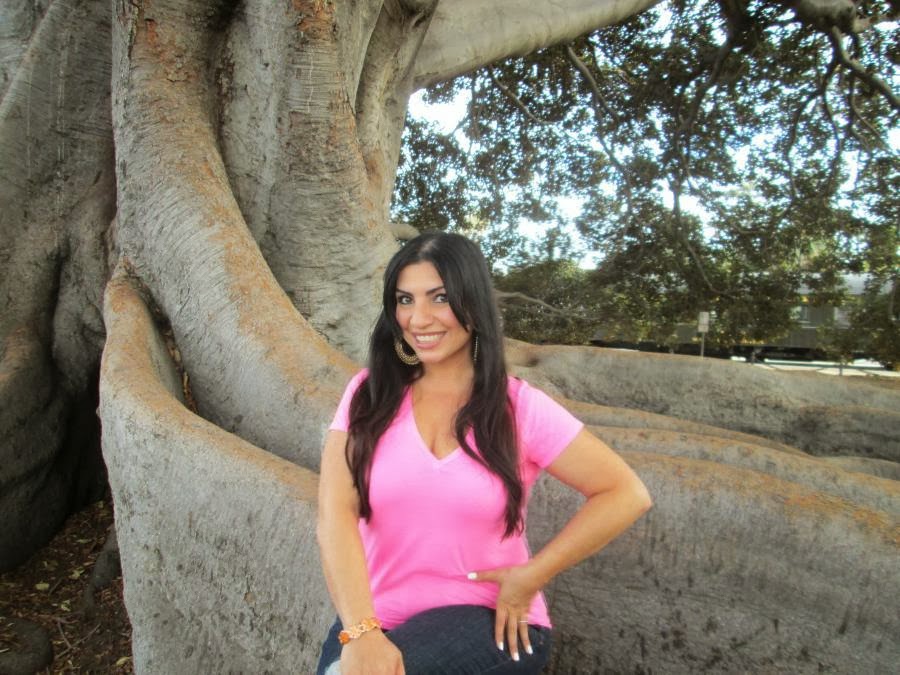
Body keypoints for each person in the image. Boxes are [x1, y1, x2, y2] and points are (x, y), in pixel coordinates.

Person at [316, 232, 652, 674]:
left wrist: (533, 574)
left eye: (439, 298)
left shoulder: (519, 408)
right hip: (372, 619)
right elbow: (335, 514)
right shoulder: (368, 394)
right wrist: (362, 631)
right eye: (405, 300)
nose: (418, 318)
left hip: (490, 620)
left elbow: (625, 492)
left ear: (472, 303)